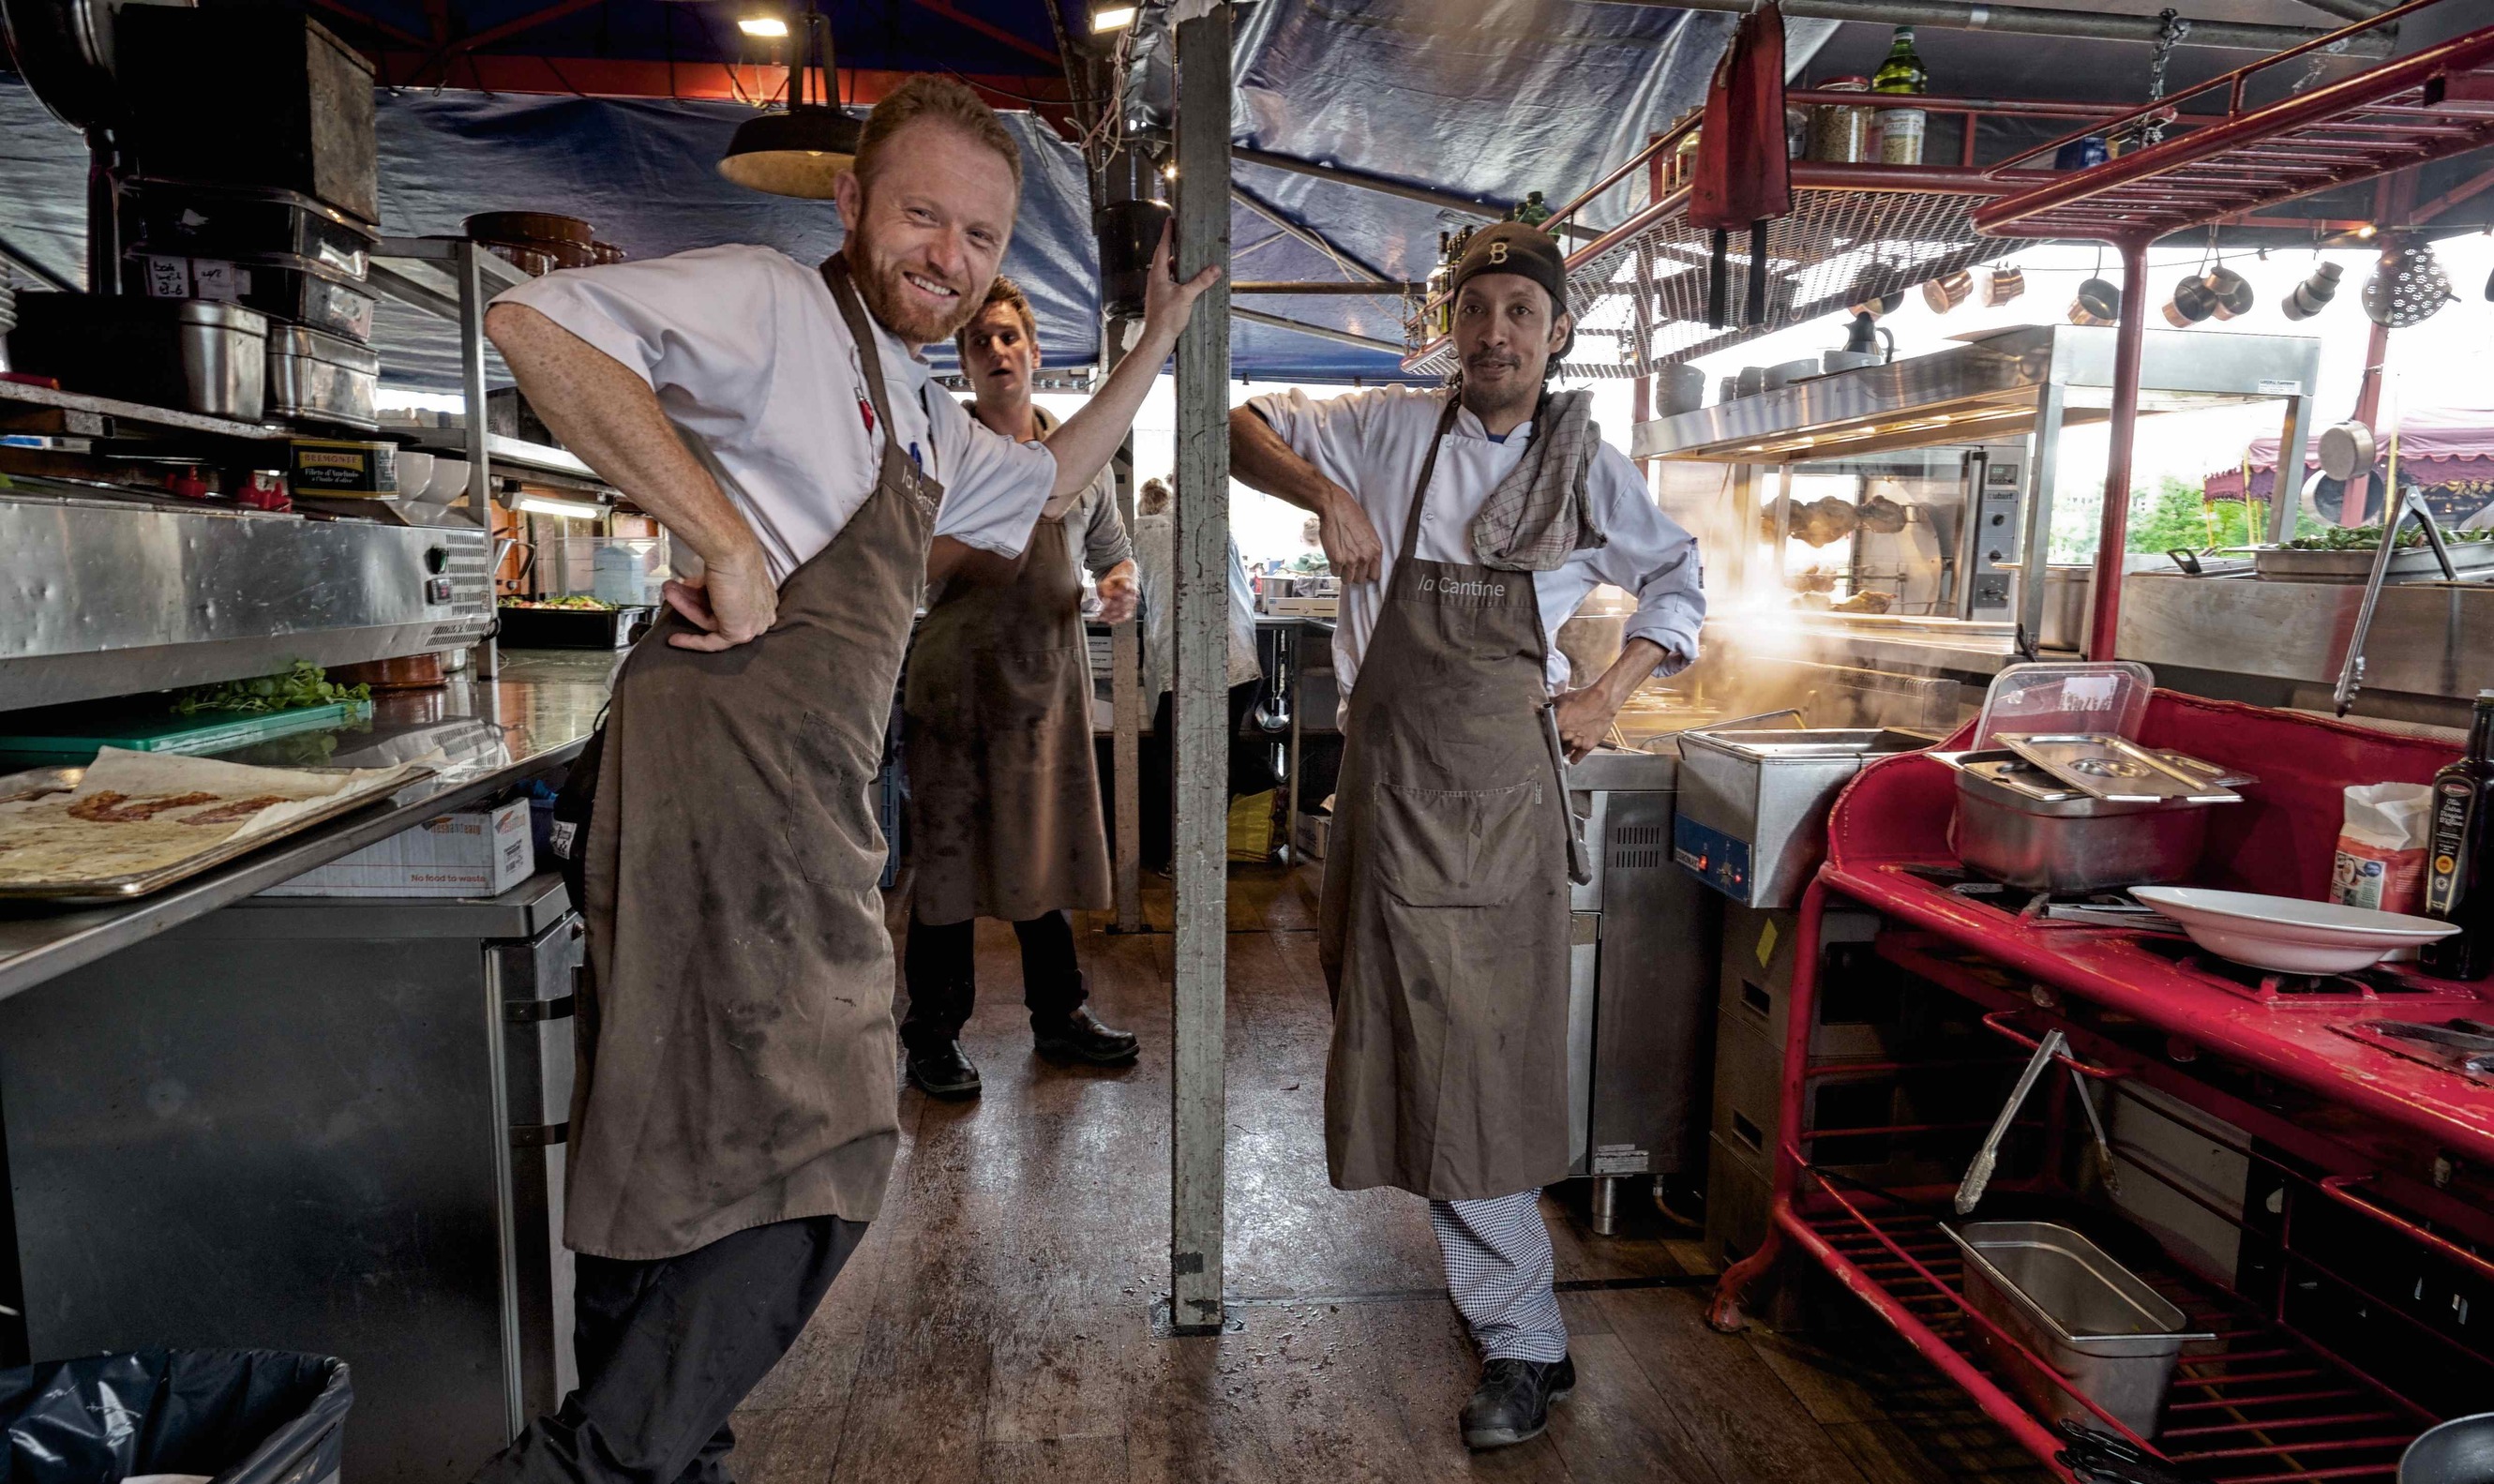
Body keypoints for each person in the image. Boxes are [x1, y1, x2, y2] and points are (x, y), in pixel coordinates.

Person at [472, 76, 1217, 1483]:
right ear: (852, 204)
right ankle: (597, 1461)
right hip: (712, 778)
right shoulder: (770, 300)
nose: (949, 253)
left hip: (791, 794)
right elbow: (533, 323)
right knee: (833, 1136)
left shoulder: (920, 413)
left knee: (672, 1139)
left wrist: (1159, 335)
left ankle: (667, 1451)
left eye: (982, 235)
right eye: (923, 213)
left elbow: (1052, 482)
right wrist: (719, 535)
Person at [1227, 222, 1704, 1452]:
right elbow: (1236, 422)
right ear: (1452, 325)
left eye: (1521, 312)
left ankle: (1525, 1335)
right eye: (1478, 307)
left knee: (1474, 1058)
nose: (1496, 330)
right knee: (1409, 1047)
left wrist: (1607, 692)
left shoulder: (1587, 463)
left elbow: (1678, 578)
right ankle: (1509, 1310)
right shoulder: (1385, 429)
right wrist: (1323, 491)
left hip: (1497, 799)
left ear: (1556, 336)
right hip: (1388, 791)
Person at [898, 277, 1143, 1099]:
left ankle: (1059, 1016)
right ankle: (932, 1034)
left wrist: (1121, 583)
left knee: (1049, 852)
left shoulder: (1082, 457)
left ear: (1035, 354)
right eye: (979, 342)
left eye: (1009, 338)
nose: (997, 351)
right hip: (956, 689)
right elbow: (906, 569)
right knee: (947, 869)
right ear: (963, 362)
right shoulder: (940, 455)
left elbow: (1113, 550)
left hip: (1048, 691)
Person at [1131, 476, 1265, 873]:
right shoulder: (1214, 524)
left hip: (1187, 661)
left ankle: (1171, 855)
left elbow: (1139, 594)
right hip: (1236, 659)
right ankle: (1200, 854)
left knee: (1172, 761)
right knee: (1215, 759)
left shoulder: (1141, 534)